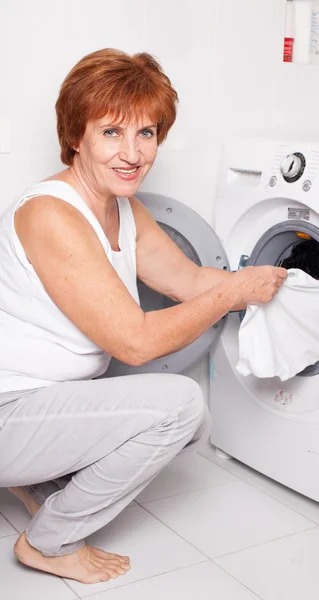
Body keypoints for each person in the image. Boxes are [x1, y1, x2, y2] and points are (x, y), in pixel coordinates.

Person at [0, 48, 288, 584]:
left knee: (181, 417)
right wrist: (232, 297)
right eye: (111, 132)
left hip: (45, 405)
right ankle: (49, 542)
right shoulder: (49, 213)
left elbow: (190, 280)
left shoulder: (124, 207)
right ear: (75, 136)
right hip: (9, 411)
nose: (132, 153)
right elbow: (134, 343)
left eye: (147, 133)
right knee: (181, 407)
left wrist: (288, 286)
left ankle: (38, 483)